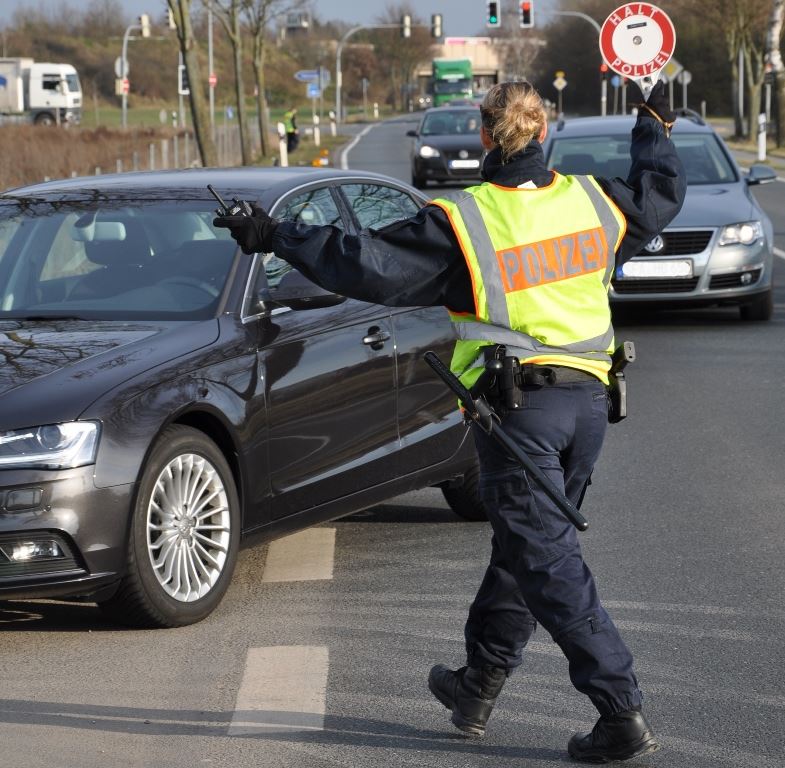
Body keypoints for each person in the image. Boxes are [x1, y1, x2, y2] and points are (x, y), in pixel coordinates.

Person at [215, 80, 686, 763]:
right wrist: (650, 124)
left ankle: (619, 709)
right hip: (587, 406)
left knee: (546, 559)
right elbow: (658, 192)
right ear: (544, 133)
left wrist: (274, 235)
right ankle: (477, 684)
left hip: (517, 415)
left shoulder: (463, 220)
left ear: (484, 136)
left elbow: (365, 264)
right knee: (526, 547)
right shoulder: (592, 202)